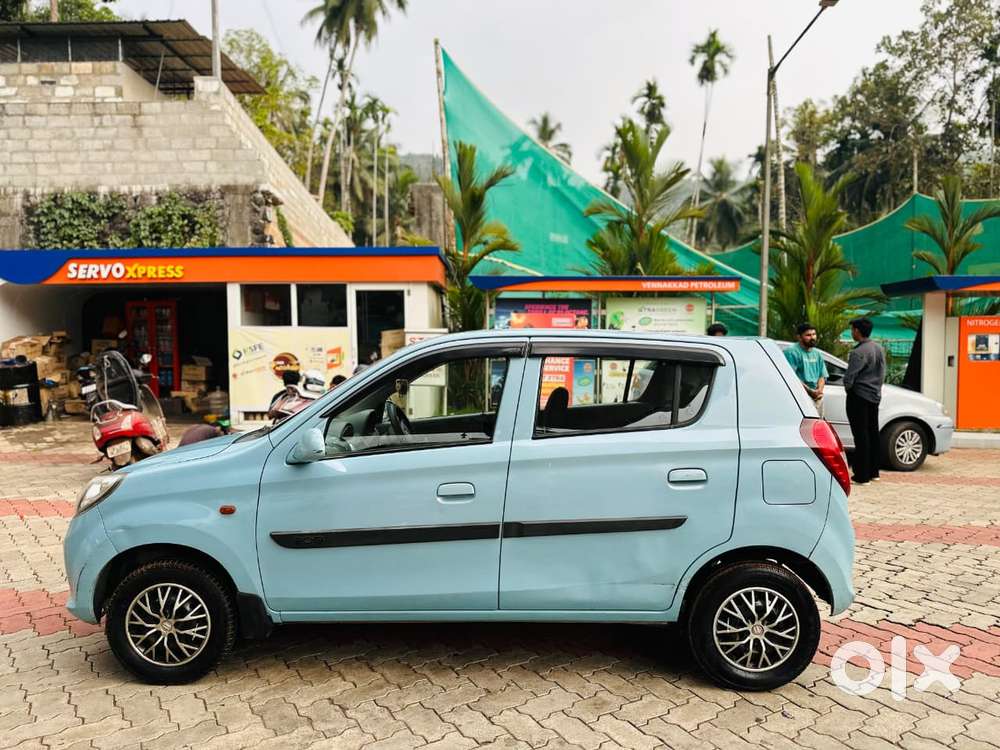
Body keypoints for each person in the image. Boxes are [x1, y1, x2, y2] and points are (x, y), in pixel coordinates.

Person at [843, 317, 886, 485]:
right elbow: (882, 372)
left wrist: (849, 387)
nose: (852, 332)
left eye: (852, 329)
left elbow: (850, 376)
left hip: (859, 396)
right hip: (874, 395)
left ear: (857, 331)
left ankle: (862, 475)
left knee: (860, 435)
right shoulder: (878, 348)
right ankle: (874, 472)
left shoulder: (858, 352)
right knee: (872, 433)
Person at [783, 322, 828, 416]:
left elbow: (822, 375)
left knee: (817, 426)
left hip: (817, 397)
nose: (812, 337)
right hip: (800, 396)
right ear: (799, 337)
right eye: (808, 335)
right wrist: (810, 392)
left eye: (814, 334)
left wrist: (819, 391)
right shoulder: (791, 352)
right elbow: (791, 377)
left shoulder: (817, 353)